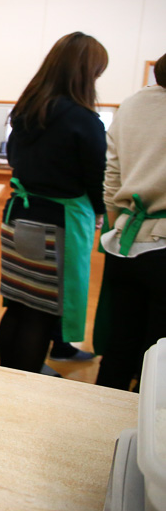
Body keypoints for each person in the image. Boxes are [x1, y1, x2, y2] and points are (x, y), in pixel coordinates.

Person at [0, 32, 108, 373]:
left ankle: (7, 374)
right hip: (58, 222)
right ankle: (25, 382)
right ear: (86, 73)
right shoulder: (84, 120)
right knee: (41, 311)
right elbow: (96, 177)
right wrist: (102, 212)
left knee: (18, 303)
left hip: (19, 214)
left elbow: (13, 157)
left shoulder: (27, 111)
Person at [94, 53, 166, 391]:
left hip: (125, 241)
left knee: (119, 347)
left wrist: (117, 225)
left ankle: (97, 431)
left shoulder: (134, 104)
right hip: (162, 246)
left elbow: (112, 177)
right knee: (158, 358)